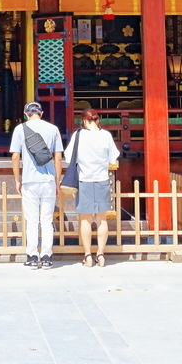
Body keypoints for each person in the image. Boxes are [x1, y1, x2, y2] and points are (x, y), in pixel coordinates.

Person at [10, 102, 64, 269]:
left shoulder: (20, 129)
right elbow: (58, 157)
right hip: (48, 180)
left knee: (32, 220)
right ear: (41, 113)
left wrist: (17, 179)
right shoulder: (53, 129)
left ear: (26, 114)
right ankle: (46, 256)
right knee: (47, 220)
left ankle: (32, 256)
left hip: (29, 180)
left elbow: (15, 158)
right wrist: (57, 181)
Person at [67, 109, 121, 267]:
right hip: (102, 179)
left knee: (85, 219)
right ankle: (101, 254)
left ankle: (88, 255)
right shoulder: (106, 136)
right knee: (101, 219)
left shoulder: (79, 135)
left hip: (84, 179)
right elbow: (113, 157)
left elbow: (69, 156)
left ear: (84, 121)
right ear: (98, 120)